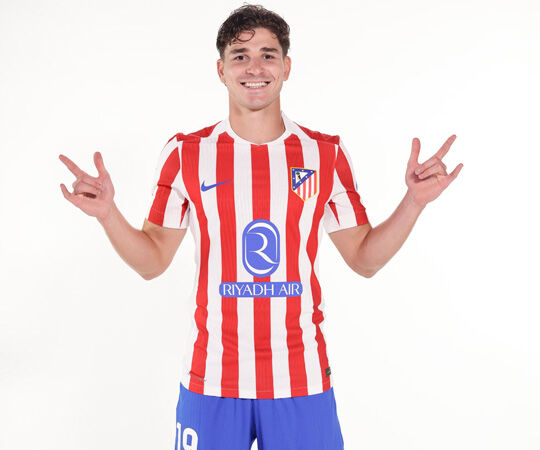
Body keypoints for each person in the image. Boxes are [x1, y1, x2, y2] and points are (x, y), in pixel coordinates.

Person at [59, 4, 463, 449]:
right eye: (240, 56)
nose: (255, 68)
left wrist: (414, 202)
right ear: (221, 70)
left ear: (287, 67)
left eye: (268, 55)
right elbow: (152, 261)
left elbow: (364, 259)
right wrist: (108, 214)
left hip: (300, 379)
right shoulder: (186, 154)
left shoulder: (325, 154)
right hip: (211, 378)